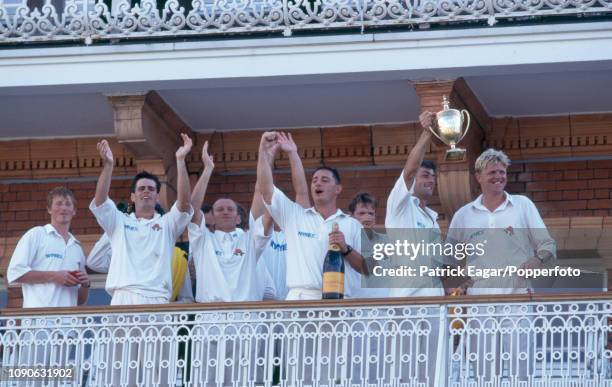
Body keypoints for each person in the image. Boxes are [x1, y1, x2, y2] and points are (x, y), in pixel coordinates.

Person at [257, 131, 368, 385]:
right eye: (315, 179)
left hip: (339, 306)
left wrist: (347, 249)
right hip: (301, 303)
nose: (317, 183)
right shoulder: (296, 216)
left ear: (338, 188)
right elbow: (265, 189)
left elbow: (368, 268)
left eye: (325, 179)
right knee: (299, 375)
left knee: (338, 376)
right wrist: (263, 152)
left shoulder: (351, 224)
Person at [89, 135, 194, 386]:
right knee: (121, 371)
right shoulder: (119, 222)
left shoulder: (167, 224)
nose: (146, 192)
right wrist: (108, 166)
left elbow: (184, 203)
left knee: (158, 373)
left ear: (157, 197)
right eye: (141, 189)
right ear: (133, 197)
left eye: (151, 189)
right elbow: (101, 201)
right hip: (124, 299)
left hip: (157, 301)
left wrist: (180, 161)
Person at [447, 148, 556, 382]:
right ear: (478, 176)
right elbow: (450, 260)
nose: (499, 176)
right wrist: (459, 284)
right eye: (492, 172)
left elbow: (548, 245)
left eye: (502, 171)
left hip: (517, 301)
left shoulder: (522, 205)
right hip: (479, 305)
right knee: (485, 374)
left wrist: (536, 259)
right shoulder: (464, 215)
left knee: (521, 372)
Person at [6, 187, 89, 378]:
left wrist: (86, 284)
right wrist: (54, 276)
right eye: (59, 203)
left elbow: (80, 300)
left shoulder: (76, 246)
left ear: (74, 211)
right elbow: (14, 274)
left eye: (68, 204)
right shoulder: (37, 234)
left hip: (66, 330)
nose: (64, 208)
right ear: (49, 209)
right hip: (38, 327)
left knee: (57, 381)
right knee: (32, 380)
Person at [347, 191, 389, 298]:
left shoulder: (386, 241)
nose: (367, 217)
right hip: (355, 305)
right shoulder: (345, 242)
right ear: (350, 216)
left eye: (371, 213)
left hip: (385, 307)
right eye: (362, 213)